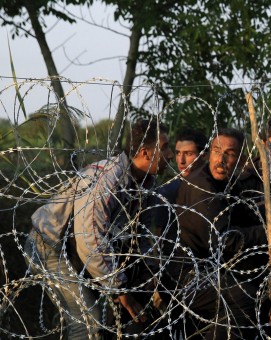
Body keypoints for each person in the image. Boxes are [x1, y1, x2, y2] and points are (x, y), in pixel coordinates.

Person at [25, 117, 173, 338]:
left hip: (77, 253)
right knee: (89, 323)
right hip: (51, 247)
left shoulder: (146, 184)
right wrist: (119, 287)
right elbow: (89, 238)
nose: (170, 154)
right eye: (165, 147)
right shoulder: (108, 181)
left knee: (90, 319)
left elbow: (138, 235)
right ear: (145, 152)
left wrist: (150, 271)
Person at [164, 128, 271, 339]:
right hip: (189, 275)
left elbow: (245, 213)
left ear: (241, 158)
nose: (222, 159)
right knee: (242, 297)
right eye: (217, 151)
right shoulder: (203, 187)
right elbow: (224, 241)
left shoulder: (226, 182)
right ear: (208, 154)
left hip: (211, 267)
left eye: (230, 153)